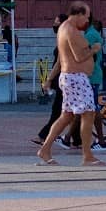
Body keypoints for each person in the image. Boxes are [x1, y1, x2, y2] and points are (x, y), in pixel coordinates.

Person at [37, 3, 100, 167]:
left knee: (66, 115)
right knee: (88, 113)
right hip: (76, 78)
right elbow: (79, 57)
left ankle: (45, 149)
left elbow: (60, 60)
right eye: (86, 17)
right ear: (78, 14)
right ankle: (87, 155)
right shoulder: (71, 30)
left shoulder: (63, 29)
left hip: (69, 77)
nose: (87, 21)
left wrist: (49, 79)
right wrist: (94, 49)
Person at [69, 16, 106, 151]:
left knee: (91, 109)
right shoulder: (91, 33)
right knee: (84, 108)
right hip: (91, 75)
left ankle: (101, 141)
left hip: (91, 76)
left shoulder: (90, 35)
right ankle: (68, 137)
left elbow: (81, 54)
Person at [34, 15, 66, 145]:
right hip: (62, 79)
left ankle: (45, 136)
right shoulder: (61, 38)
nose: (54, 24)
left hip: (64, 79)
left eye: (56, 22)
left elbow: (59, 63)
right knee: (65, 111)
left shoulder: (64, 39)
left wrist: (49, 79)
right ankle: (75, 138)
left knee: (60, 111)